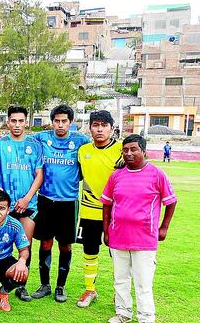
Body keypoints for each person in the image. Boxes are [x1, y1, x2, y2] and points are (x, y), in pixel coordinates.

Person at [102, 134, 177, 323]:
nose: (128, 153)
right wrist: (106, 230)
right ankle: (123, 313)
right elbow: (107, 205)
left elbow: (171, 201)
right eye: (125, 150)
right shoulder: (116, 175)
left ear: (144, 151)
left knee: (143, 283)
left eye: (133, 149)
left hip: (144, 239)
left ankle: (146, 317)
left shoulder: (156, 174)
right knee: (120, 279)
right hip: (118, 236)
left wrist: (164, 227)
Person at [31, 105, 90, 302]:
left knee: (65, 245)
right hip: (46, 200)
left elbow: (89, 164)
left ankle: (60, 287)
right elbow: (20, 141)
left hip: (69, 202)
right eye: (57, 121)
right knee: (45, 242)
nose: (60, 124)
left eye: (64, 121)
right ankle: (45, 284)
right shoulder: (41, 138)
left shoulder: (81, 141)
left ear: (71, 123)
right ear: (52, 121)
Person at [0, 105, 43, 301]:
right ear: (8, 121)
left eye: (21, 121)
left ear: (26, 122)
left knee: (24, 246)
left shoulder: (34, 145)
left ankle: (21, 286)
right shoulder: (1, 144)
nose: (17, 124)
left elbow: (39, 175)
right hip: (5, 207)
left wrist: (27, 197)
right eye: (13, 121)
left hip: (28, 205)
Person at [75, 110, 123, 308]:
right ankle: (89, 289)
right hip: (89, 210)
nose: (99, 129)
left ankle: (119, 294)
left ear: (112, 128)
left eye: (104, 125)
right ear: (90, 128)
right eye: (96, 125)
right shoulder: (83, 150)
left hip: (116, 213)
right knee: (90, 251)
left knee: (118, 255)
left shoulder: (122, 150)